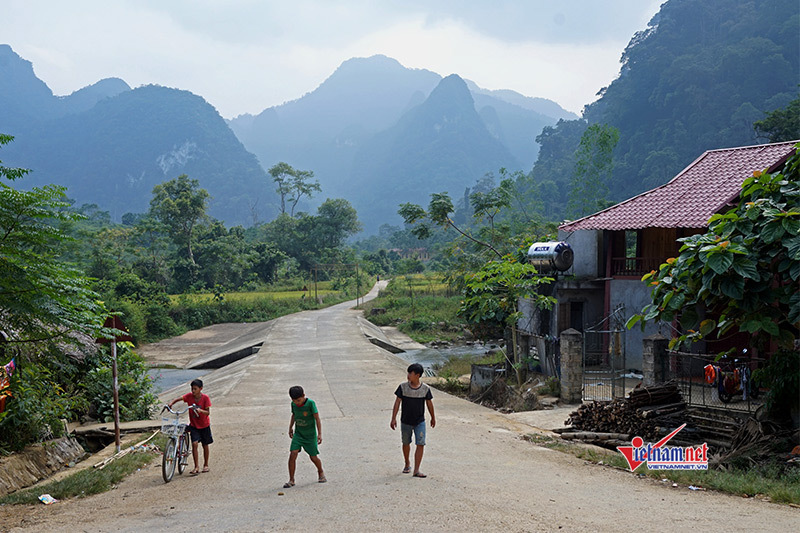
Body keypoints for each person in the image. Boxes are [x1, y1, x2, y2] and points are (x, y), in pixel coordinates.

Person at [390, 363, 436, 478]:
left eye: (410, 373)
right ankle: (407, 463)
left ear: (417, 375)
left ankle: (416, 470)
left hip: (420, 421)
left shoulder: (425, 389)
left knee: (420, 443)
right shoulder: (403, 387)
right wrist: (393, 418)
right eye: (408, 373)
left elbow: (429, 404)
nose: (408, 375)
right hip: (406, 421)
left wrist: (433, 417)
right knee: (406, 443)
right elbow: (397, 402)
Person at [167, 378, 212, 475]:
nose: (193, 391)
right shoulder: (189, 397)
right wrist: (171, 403)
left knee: (205, 445)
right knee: (194, 444)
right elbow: (179, 398)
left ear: (201, 389)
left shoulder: (205, 398)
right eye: (192, 389)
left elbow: (208, 412)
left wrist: (201, 411)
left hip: (204, 425)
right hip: (194, 425)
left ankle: (206, 465)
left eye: (195, 389)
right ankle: (196, 466)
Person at [285, 385, 326, 487]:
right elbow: (293, 415)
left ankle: (320, 471)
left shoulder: (310, 404)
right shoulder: (293, 405)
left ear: (303, 395)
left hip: (310, 436)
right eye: (294, 401)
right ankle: (291, 479)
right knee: (293, 454)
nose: (296, 403)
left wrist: (319, 434)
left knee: (313, 457)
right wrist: (290, 428)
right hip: (298, 434)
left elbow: (317, 418)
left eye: (298, 400)